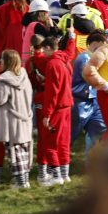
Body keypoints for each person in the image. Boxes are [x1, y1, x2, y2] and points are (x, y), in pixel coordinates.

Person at [0, 50, 34, 188]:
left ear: (7, 62)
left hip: (11, 121)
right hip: (24, 118)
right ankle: (24, 180)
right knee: (24, 151)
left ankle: (21, 183)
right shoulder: (24, 75)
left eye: (1, 60)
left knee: (14, 152)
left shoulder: (4, 80)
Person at [35, 36, 72, 186]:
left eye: (44, 49)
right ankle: (65, 174)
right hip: (67, 106)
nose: (43, 52)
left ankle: (57, 177)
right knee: (63, 142)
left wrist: (47, 114)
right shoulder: (65, 60)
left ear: (49, 48)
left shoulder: (52, 64)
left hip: (56, 108)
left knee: (50, 143)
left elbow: (52, 92)